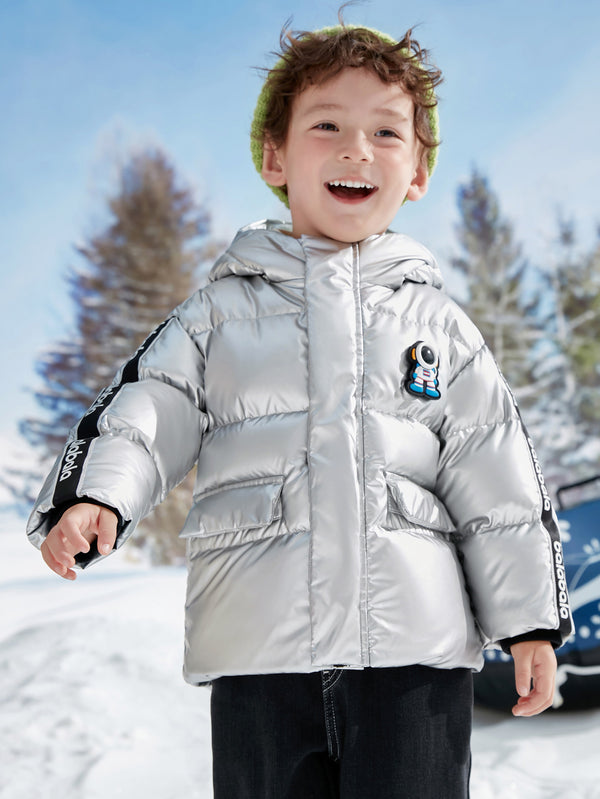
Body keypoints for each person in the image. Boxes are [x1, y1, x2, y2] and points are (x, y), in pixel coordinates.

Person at [27, 20, 573, 799]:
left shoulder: (440, 328)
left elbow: (501, 482)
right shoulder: (219, 311)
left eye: (386, 132)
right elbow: (149, 406)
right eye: (328, 125)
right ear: (275, 156)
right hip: (261, 661)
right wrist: (97, 494)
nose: (357, 149)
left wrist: (530, 619)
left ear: (417, 170)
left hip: (413, 665)